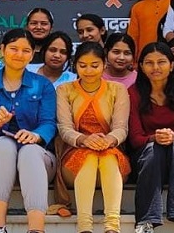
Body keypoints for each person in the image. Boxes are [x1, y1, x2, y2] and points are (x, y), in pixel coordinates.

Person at [0, 29, 57, 233]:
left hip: (38, 161)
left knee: (30, 150)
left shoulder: (43, 85)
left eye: (25, 50)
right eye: (13, 48)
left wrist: (35, 135)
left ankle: (36, 230)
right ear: (2, 49)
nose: (19, 54)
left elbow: (49, 123)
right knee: (4, 144)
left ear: (32, 54)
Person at [55, 42, 130, 233]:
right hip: (74, 156)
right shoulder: (64, 90)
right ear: (75, 65)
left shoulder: (118, 89)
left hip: (110, 153)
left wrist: (108, 140)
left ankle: (112, 226)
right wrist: (84, 140)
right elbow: (64, 128)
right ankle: (84, 226)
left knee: (107, 155)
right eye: (83, 65)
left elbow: (121, 128)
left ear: (104, 64)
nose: (88, 71)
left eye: (94, 65)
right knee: (88, 155)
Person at [128, 43, 174, 233]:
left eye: (161, 62)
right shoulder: (133, 93)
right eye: (149, 63)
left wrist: (173, 137)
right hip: (147, 161)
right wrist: (156, 138)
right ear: (141, 66)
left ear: (172, 65)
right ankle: (145, 222)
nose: (155, 67)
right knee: (153, 150)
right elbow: (135, 139)